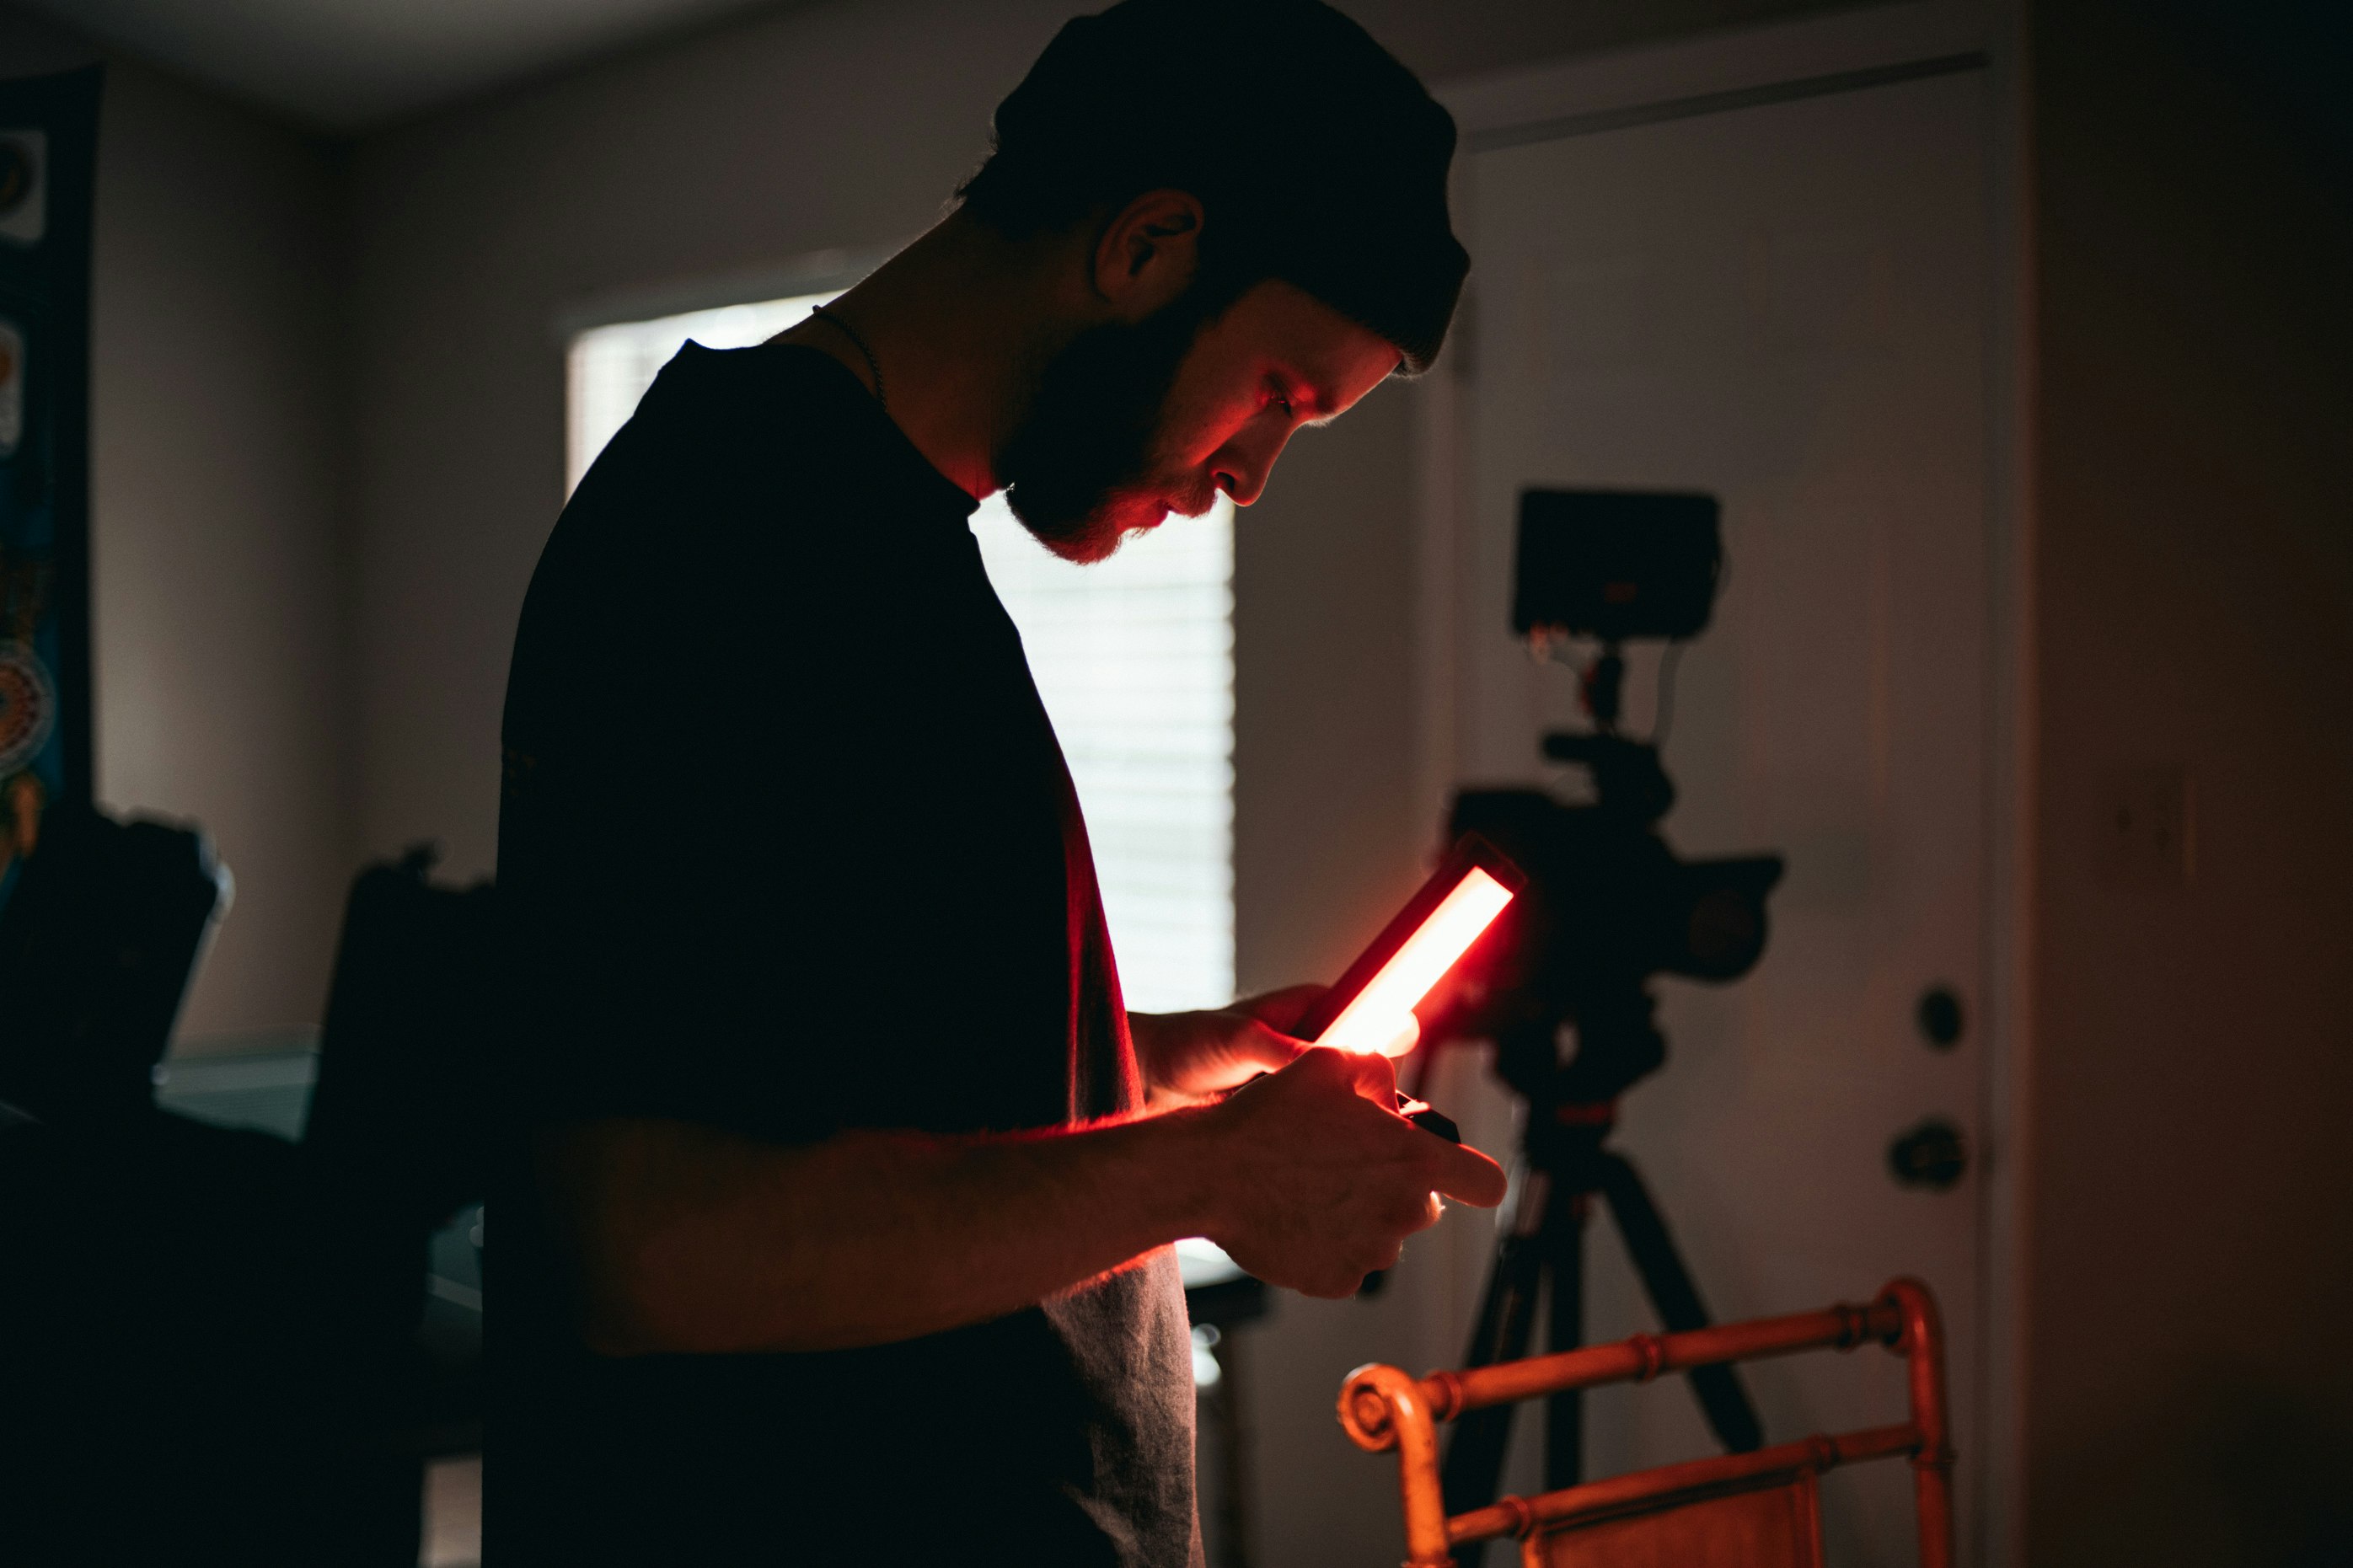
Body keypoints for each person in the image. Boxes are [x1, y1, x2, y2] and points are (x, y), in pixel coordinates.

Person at [487, 1, 1505, 1560]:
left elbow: (853, 1066)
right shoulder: (722, 536)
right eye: (1283, 396)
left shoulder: (881, 548)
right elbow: (649, 1249)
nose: (1252, 475)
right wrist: (1214, 1170)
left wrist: (1162, 1062)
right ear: (1151, 243)